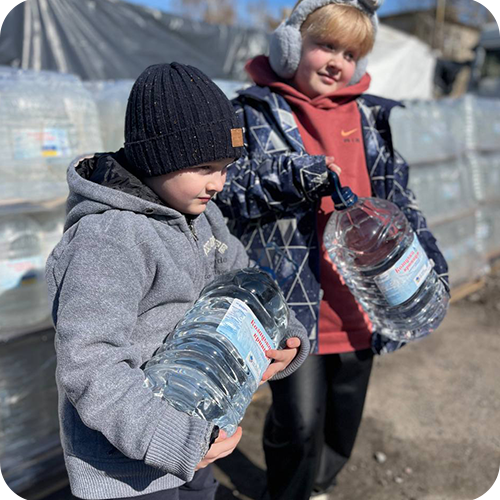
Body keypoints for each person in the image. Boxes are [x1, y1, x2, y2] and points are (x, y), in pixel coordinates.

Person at [214, 1, 450, 499]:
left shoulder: (372, 118)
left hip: (362, 302)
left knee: (343, 420)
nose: (336, 62)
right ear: (291, 46)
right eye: (325, 45)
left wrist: (428, 262)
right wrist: (288, 175)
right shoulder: (248, 112)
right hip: (290, 304)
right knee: (297, 422)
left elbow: (400, 203)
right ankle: (289, 493)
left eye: (350, 52)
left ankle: (320, 485)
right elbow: (226, 190)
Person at [45, 62, 310, 500]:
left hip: (197, 433)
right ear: (157, 158)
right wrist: (175, 438)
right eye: (206, 167)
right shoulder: (111, 237)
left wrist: (282, 334)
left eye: (226, 167)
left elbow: (242, 283)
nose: (219, 184)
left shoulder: (204, 217)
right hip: (127, 469)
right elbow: (89, 362)